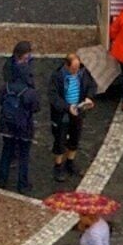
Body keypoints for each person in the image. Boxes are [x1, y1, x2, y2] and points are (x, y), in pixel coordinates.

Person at [0, 51, 40, 192]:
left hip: (7, 126)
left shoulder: (6, 87)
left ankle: (2, 180)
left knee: (6, 152)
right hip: (24, 128)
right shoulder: (30, 91)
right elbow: (36, 108)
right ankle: (22, 184)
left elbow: (1, 101)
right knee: (24, 157)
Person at [49, 53, 90, 186]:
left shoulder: (83, 73)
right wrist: (67, 107)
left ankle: (70, 163)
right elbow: (53, 97)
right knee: (60, 139)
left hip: (78, 111)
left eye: (77, 67)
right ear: (66, 66)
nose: (76, 71)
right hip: (63, 114)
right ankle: (58, 165)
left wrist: (89, 98)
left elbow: (91, 86)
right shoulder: (57, 76)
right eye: (73, 68)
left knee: (75, 137)